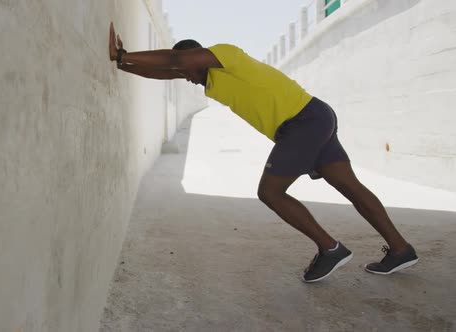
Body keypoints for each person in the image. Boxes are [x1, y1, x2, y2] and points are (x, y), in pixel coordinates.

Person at [108, 23, 418, 282]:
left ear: (196, 57)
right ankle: (400, 249)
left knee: (270, 192)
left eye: (185, 68)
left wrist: (125, 52)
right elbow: (166, 71)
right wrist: (124, 64)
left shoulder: (227, 55)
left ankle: (330, 248)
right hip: (314, 116)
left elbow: (175, 60)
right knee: (350, 186)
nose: (185, 76)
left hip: (302, 122)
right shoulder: (212, 78)